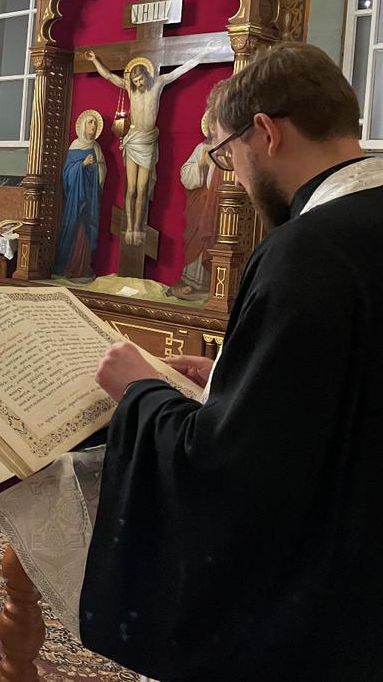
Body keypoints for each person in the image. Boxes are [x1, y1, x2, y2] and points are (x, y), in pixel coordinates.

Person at [83, 43, 383, 680]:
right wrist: (230, 377)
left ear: (266, 133)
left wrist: (141, 392)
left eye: (225, 154)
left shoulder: (305, 251)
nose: (235, 179)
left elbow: (234, 469)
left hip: (325, 611)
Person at [86, 42, 215, 245]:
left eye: (140, 80)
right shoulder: (130, 88)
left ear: (147, 75)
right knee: (130, 188)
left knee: (142, 188)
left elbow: (183, 68)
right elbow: (109, 76)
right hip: (133, 140)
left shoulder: (158, 83)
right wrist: (95, 61)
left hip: (147, 142)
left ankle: (138, 228)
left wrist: (205, 51)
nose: (138, 84)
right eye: (135, 81)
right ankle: (129, 227)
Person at [168, 112, 220, 300]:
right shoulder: (201, 148)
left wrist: (212, 165)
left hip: (217, 206)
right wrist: (200, 163)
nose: (214, 128)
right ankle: (191, 282)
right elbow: (185, 174)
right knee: (196, 238)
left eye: (217, 124)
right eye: (211, 124)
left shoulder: (227, 150)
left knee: (211, 240)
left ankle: (211, 284)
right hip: (199, 205)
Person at [53, 109, 106, 280]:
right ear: (83, 125)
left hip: (91, 198)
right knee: (75, 229)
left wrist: (96, 167)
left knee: (89, 231)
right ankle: (68, 267)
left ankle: (83, 268)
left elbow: (102, 169)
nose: (93, 126)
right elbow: (67, 173)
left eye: (95, 123)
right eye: (90, 122)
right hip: (76, 199)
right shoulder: (75, 146)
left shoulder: (96, 148)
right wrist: (82, 165)